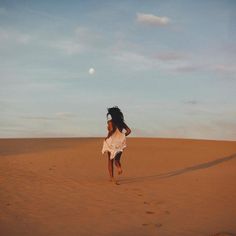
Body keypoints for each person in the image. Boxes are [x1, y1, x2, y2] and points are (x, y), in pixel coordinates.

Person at [102, 106, 131, 184]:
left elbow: (111, 130)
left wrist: (107, 137)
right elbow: (129, 131)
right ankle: (119, 167)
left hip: (111, 142)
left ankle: (112, 177)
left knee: (110, 160)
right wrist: (122, 136)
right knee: (117, 159)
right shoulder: (121, 122)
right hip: (120, 143)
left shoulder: (110, 122)